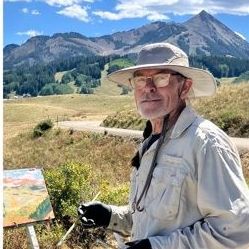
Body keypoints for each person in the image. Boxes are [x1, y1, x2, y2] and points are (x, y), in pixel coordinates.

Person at [78, 43, 249, 249]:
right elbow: (154, 219)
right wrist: (111, 216)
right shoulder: (151, 141)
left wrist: (155, 247)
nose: (149, 87)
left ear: (184, 87)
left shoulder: (206, 143)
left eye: (161, 78)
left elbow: (236, 232)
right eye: (141, 79)